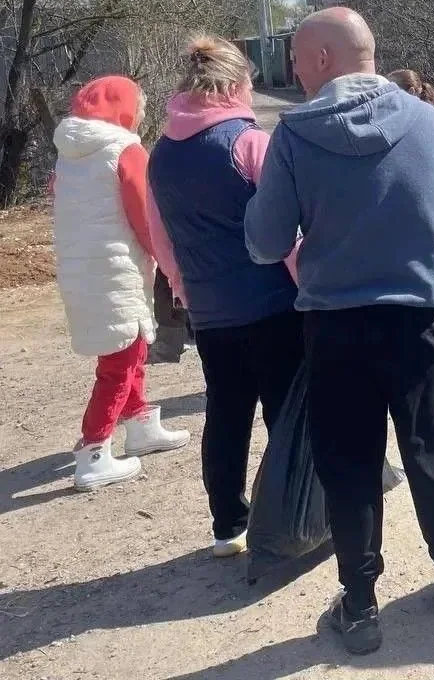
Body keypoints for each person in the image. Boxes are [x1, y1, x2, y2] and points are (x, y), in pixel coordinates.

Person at [244, 7, 434, 656]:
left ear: (324, 58)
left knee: (348, 468)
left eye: (297, 57)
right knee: (432, 454)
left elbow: (266, 243)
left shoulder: (294, 137)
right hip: (419, 326)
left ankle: (359, 604)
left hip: (336, 333)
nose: (293, 70)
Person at [147, 37, 304, 559]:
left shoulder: (161, 155)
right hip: (272, 305)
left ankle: (227, 525)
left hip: (210, 311)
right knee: (286, 413)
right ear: (235, 84)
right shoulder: (250, 143)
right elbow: (284, 233)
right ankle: (291, 518)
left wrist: (185, 288)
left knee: (226, 413)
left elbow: (160, 238)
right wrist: (309, 283)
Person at [52, 76, 190, 493]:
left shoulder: (68, 154)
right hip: (117, 269)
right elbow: (144, 213)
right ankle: (93, 450)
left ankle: (140, 422)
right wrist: (167, 259)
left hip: (81, 268)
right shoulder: (125, 149)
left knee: (129, 344)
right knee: (121, 360)